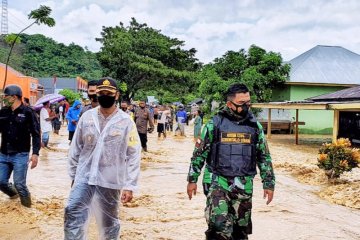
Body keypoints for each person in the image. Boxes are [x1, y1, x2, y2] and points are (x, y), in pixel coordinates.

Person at [186, 83, 275, 240]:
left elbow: (263, 156)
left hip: (244, 184)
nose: (247, 106)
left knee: (240, 231)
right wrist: (192, 180)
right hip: (217, 181)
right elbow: (199, 154)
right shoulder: (215, 124)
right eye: (242, 103)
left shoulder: (255, 126)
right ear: (229, 104)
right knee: (219, 227)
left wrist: (269, 183)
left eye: (248, 102)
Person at [64, 77, 141, 239]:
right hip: (84, 177)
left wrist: (130, 185)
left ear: (117, 95)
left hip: (110, 180)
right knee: (72, 211)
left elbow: (133, 154)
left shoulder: (126, 122)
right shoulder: (87, 118)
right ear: (96, 94)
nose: (105, 95)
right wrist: (73, 176)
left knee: (109, 222)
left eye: (109, 93)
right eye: (101, 93)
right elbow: (75, 149)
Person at [0, 85, 40, 208]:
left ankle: (27, 210)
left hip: (20, 154)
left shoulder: (28, 112)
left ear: (14, 97)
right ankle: (14, 196)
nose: (3, 99)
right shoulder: (3, 112)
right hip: (4, 153)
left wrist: (35, 154)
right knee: (1, 182)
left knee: (20, 184)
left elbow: (36, 134)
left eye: (5, 96)